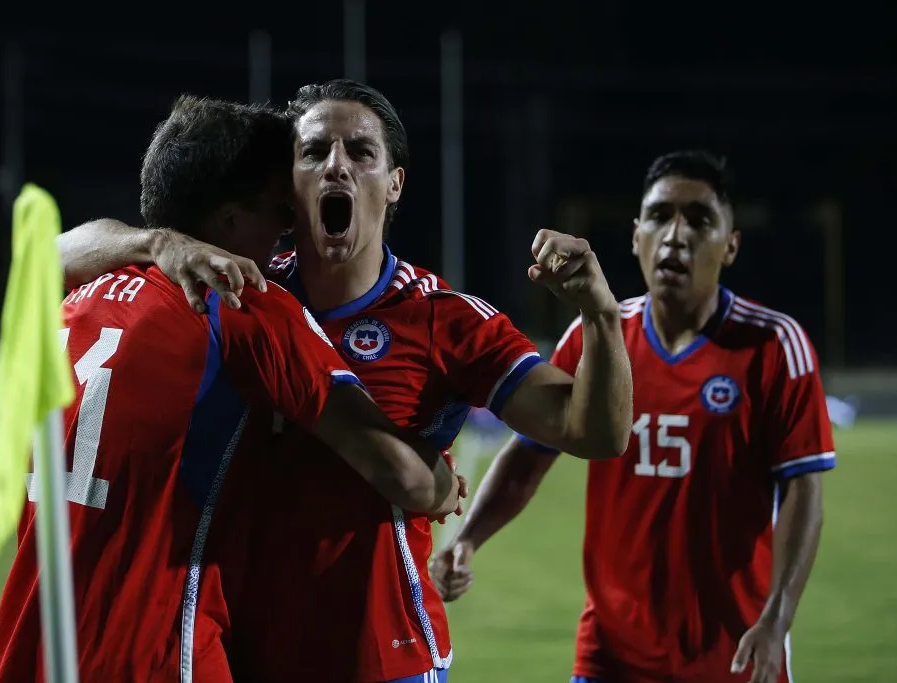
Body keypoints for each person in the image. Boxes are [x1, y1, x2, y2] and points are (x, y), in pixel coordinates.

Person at [60, 79, 633, 683]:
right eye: (313, 152)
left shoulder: (444, 318)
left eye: (360, 153)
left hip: (382, 660)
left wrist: (599, 314)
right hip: (241, 654)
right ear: (288, 186)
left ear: (393, 185)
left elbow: (592, 433)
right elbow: (53, 253)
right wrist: (158, 243)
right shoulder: (237, 290)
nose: (336, 165)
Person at [0, 96, 462, 683]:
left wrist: (151, 242)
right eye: (276, 211)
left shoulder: (77, 296)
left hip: (27, 649)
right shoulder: (242, 304)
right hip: (158, 654)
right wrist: (439, 485)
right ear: (231, 220)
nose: (287, 229)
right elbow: (404, 477)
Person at [431, 150, 836, 683]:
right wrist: (468, 538)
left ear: (731, 244)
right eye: (660, 216)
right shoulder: (597, 339)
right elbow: (528, 455)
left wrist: (777, 620)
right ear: (635, 235)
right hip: (611, 654)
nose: (676, 235)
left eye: (699, 220)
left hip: (734, 652)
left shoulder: (774, 346)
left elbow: (803, 490)